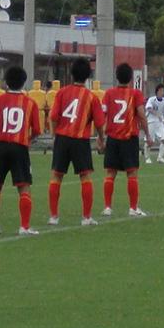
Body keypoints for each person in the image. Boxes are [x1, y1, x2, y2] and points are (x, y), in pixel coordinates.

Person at [0, 66, 41, 235]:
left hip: (0, 147)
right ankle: (24, 226)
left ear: (6, 82)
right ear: (24, 82)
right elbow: (37, 130)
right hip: (19, 148)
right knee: (24, 187)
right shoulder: (30, 103)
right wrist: (27, 141)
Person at [47, 58, 100, 226]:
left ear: (72, 73)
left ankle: (54, 217)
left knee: (57, 176)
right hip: (80, 140)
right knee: (85, 176)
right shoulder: (91, 97)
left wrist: (55, 134)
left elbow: (53, 117)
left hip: (62, 138)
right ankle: (86, 217)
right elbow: (99, 123)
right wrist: (102, 139)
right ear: (88, 76)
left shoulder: (62, 92)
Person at [100, 63, 148, 217]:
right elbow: (141, 114)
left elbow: (103, 116)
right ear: (130, 78)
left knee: (110, 173)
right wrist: (147, 134)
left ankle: (107, 207)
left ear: (117, 76)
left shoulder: (109, 94)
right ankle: (133, 208)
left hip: (113, 138)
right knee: (132, 173)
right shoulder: (136, 94)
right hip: (129, 138)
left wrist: (100, 137)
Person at [145, 84, 164, 164]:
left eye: (163, 91)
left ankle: (160, 158)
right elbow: (149, 109)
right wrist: (157, 114)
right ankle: (147, 158)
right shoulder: (152, 99)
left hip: (160, 122)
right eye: (160, 90)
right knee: (150, 141)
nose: (162, 92)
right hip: (151, 121)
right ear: (157, 92)